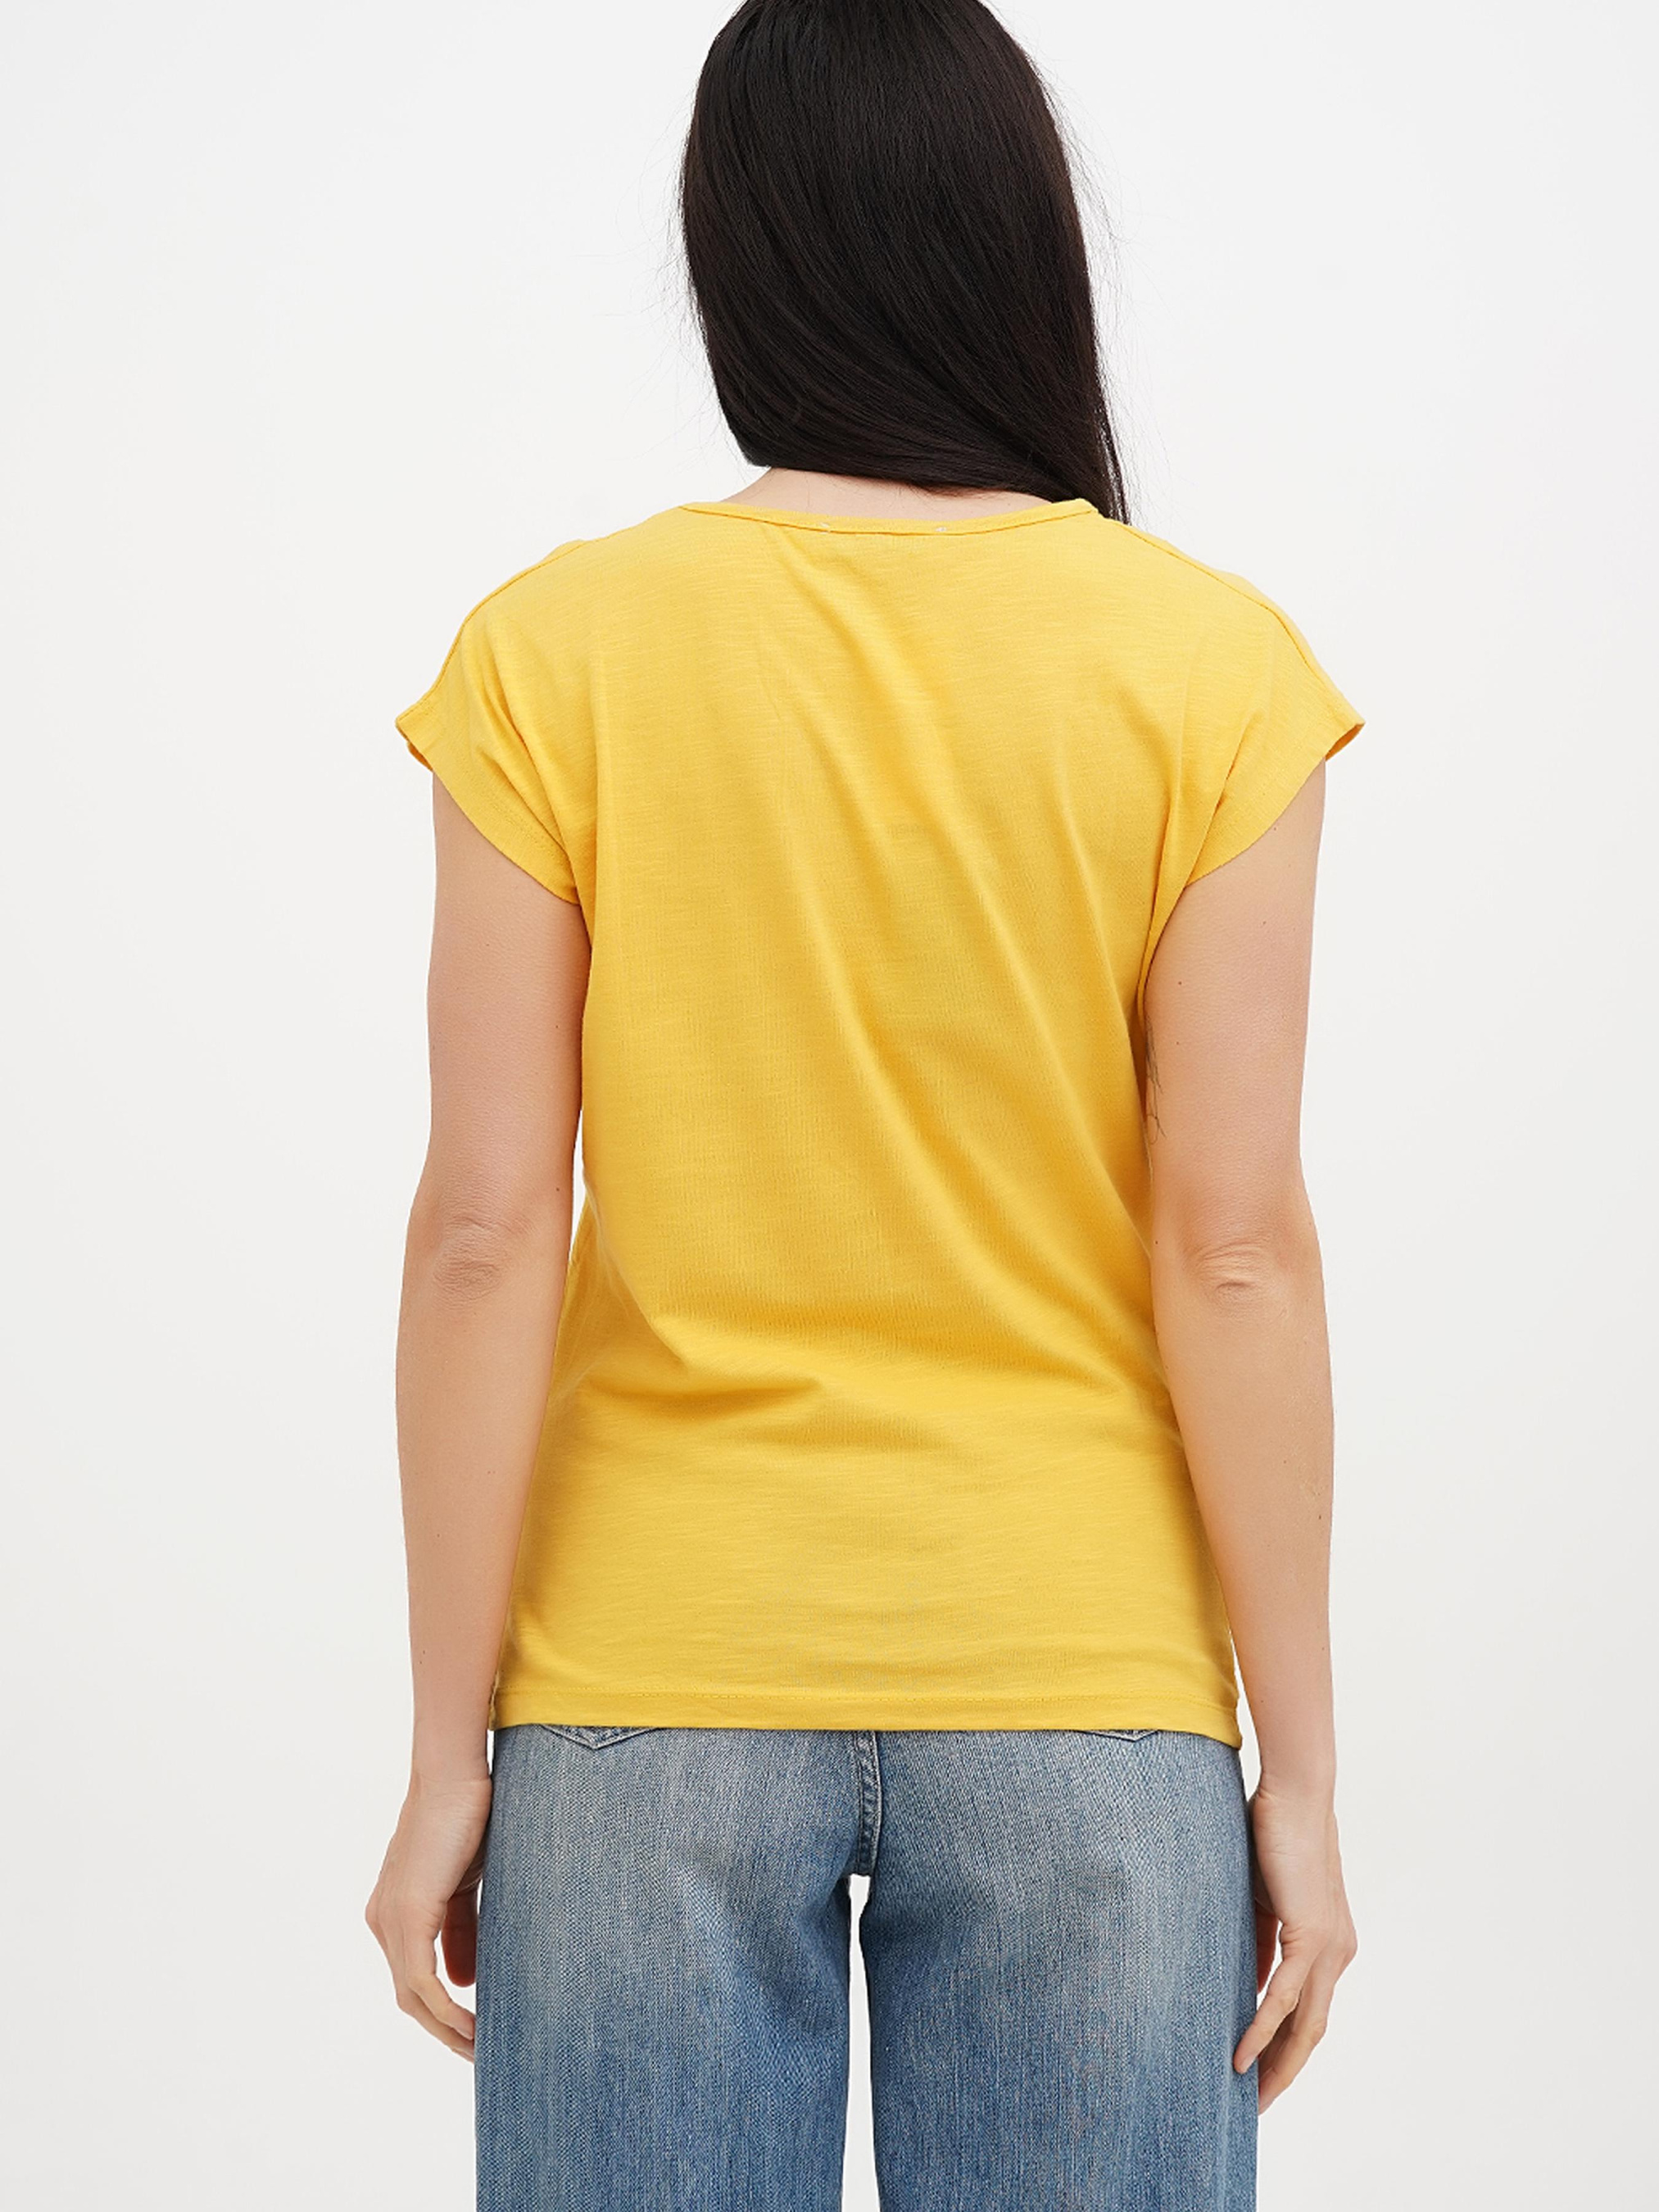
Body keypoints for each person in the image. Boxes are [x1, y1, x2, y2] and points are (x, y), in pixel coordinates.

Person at [365, 2, 1362, 2204]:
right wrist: (1294, 1772)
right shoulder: (1208, 668)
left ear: (737, 256)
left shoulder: (558, 649)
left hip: (643, 1678)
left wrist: (445, 1746)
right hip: (1085, 1683)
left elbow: (484, 1229)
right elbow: (1231, 1245)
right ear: (1020, 246)